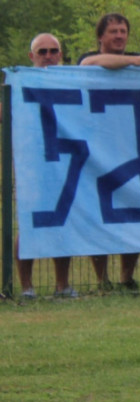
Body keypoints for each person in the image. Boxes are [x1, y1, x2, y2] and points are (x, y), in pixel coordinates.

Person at [77, 12, 140, 291]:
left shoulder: (137, 59)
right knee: (100, 216)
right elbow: (93, 63)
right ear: (100, 37)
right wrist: (136, 61)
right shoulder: (92, 59)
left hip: (129, 147)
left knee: (133, 214)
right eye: (113, 32)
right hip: (95, 149)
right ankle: (102, 279)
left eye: (123, 31)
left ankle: (126, 278)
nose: (119, 36)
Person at [16, 33, 77, 299]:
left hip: (64, 161)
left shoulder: (71, 82)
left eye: (54, 51)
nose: (49, 56)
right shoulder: (20, 84)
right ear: (32, 57)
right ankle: (26, 287)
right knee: (29, 225)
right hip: (32, 164)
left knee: (62, 223)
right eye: (43, 52)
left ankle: (62, 286)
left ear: (61, 55)